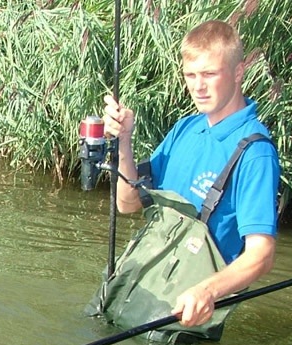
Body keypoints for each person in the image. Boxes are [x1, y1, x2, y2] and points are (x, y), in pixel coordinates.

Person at [102, 19, 279, 329]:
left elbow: (261, 255)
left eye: (210, 74)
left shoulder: (256, 152)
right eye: (191, 75)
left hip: (186, 321)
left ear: (238, 73)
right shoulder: (185, 128)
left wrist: (206, 290)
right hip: (140, 294)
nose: (198, 86)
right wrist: (123, 143)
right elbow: (127, 204)